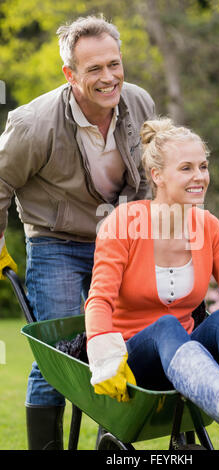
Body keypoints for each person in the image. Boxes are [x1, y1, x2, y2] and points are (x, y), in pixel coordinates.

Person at [85, 117, 219, 450]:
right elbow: (99, 299)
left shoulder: (208, 226)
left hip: (187, 362)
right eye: (186, 168)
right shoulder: (124, 222)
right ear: (157, 175)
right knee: (166, 324)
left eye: (203, 166)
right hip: (133, 362)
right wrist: (103, 357)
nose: (200, 176)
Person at [0, 15, 155, 449]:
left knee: (118, 341)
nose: (109, 78)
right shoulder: (34, 123)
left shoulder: (139, 103)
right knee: (61, 353)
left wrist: (143, 236)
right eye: (94, 69)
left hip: (118, 239)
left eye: (114, 64)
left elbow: (148, 175)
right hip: (56, 242)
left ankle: (112, 440)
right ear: (70, 74)